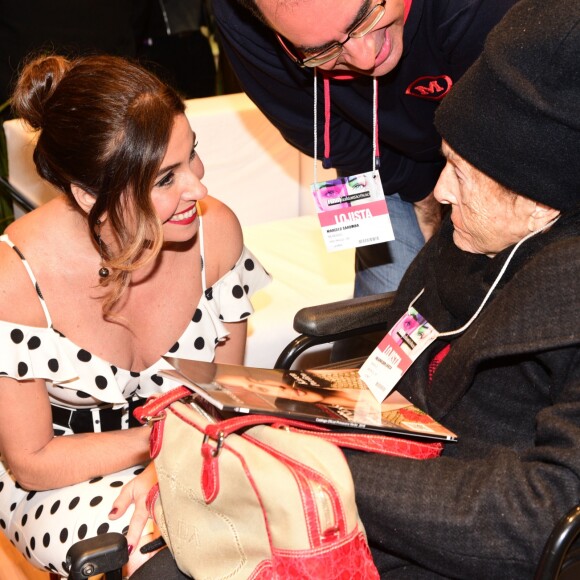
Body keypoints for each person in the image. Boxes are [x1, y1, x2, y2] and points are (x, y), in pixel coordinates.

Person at [0, 54, 271, 577]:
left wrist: (176, 462)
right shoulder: (16, 279)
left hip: (197, 447)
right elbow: (33, 460)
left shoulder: (213, 236)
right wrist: (162, 446)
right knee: (165, 557)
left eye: (193, 156)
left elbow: (224, 401)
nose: (199, 188)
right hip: (61, 478)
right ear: (87, 194)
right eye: (165, 179)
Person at [342, 0, 580, 576]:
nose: (441, 192)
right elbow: (399, 349)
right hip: (387, 468)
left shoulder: (562, 293)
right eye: (445, 161)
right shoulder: (481, 228)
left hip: (452, 541)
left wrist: (336, 472)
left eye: (462, 176)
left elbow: (544, 517)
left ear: (540, 202)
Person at [212, 0, 518, 297]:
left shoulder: (476, 8)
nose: (366, 58)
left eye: (366, 16)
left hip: (495, 147)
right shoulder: (240, 15)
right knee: (389, 300)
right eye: (321, 50)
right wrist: (418, 189)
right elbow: (313, 126)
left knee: (491, 290)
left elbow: (509, 125)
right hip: (374, 153)